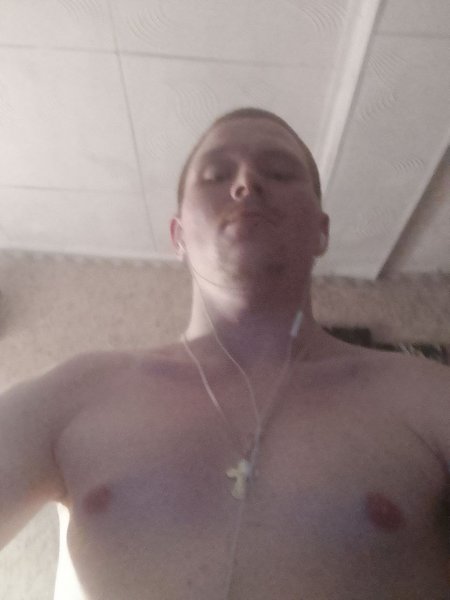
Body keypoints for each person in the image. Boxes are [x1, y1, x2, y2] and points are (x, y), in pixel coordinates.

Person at [0, 107, 449, 600]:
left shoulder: (425, 395)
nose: (246, 184)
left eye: (279, 172)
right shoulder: (75, 393)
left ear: (321, 232)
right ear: (178, 235)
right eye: (216, 174)